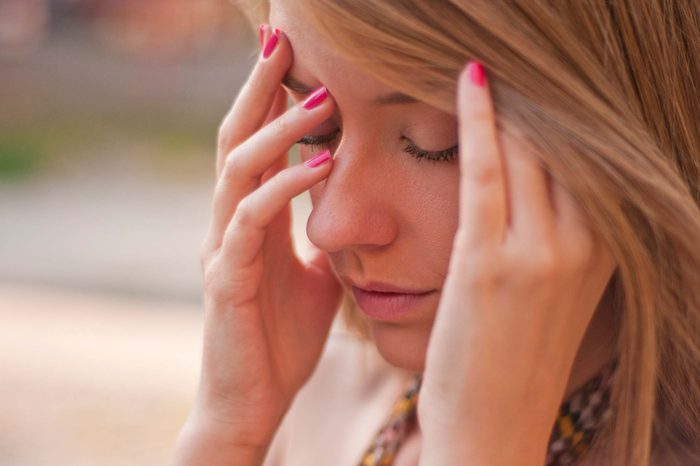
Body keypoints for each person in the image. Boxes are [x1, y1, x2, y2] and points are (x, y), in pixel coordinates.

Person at [170, 1, 700, 465]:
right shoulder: (315, 405)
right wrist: (228, 431)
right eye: (317, 129)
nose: (329, 227)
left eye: (436, 141)